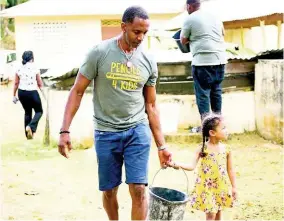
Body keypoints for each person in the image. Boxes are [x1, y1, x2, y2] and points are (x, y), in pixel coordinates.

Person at [58, 6, 172, 221]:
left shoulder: (148, 60)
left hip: (137, 131)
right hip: (106, 132)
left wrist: (162, 146)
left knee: (139, 189)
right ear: (123, 27)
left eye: (145, 33)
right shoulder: (99, 53)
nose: (140, 38)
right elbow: (77, 90)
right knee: (109, 191)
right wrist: (65, 130)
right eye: (136, 32)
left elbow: (152, 105)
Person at [169, 114, 237, 220]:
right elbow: (192, 166)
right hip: (207, 188)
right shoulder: (203, 148)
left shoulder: (226, 149)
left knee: (218, 215)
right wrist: (176, 164)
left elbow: (230, 170)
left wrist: (234, 187)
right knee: (211, 215)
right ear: (212, 133)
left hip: (220, 187)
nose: (226, 130)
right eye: (223, 128)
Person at [180, 0, 227, 132]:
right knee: (216, 92)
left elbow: (183, 40)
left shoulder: (190, 19)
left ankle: (206, 128)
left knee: (203, 95)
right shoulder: (215, 16)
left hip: (202, 63)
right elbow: (223, 34)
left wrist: (193, 38)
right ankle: (219, 127)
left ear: (189, 6)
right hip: (220, 61)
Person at [13, 51, 45, 140]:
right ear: (32, 58)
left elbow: (16, 83)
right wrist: (44, 95)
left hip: (22, 93)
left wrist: (13, 95)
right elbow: (40, 83)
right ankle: (30, 127)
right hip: (32, 92)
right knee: (39, 111)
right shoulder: (35, 67)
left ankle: (28, 136)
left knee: (27, 112)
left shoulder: (18, 68)